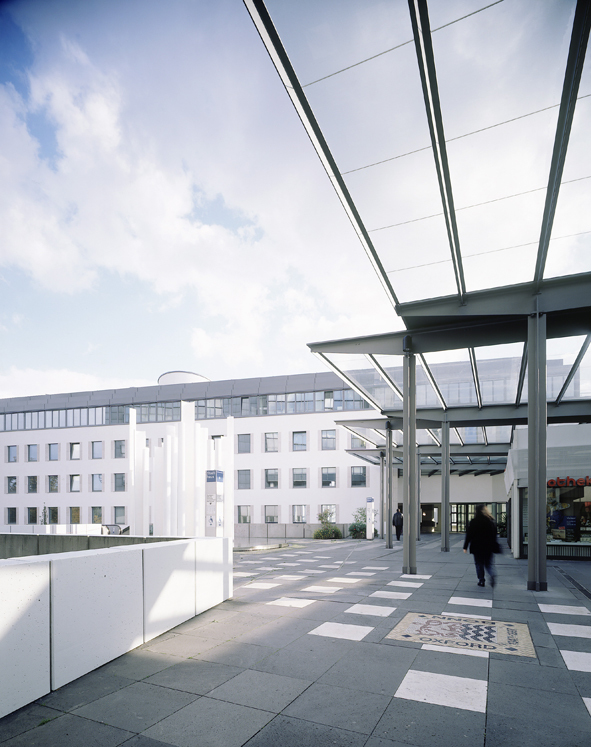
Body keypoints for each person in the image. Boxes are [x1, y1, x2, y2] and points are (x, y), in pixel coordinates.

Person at [463, 504, 499, 587]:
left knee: (479, 564)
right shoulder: (490, 521)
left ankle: (481, 580)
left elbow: (469, 535)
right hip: (488, 547)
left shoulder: (474, 522)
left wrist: (465, 546)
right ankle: (492, 574)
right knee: (488, 564)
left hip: (477, 547)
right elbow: (494, 535)